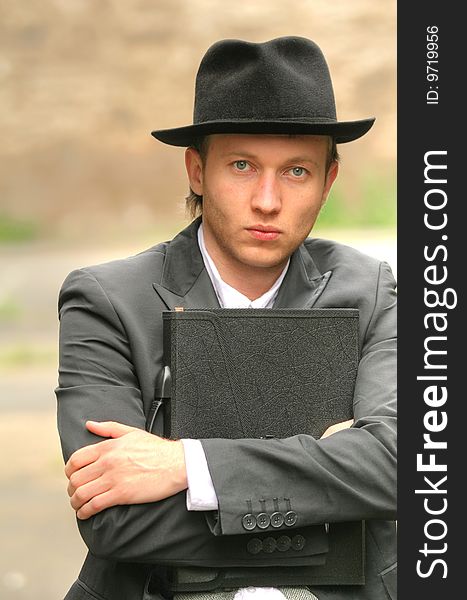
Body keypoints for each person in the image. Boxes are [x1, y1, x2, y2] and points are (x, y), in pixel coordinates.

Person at [56, 37, 396, 600]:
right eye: (242, 165)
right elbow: (113, 520)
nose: (267, 200)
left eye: (296, 172)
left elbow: (400, 464)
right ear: (196, 170)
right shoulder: (107, 298)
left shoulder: (374, 289)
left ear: (328, 181)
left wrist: (188, 464)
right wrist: (335, 494)